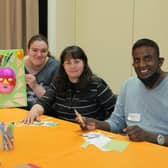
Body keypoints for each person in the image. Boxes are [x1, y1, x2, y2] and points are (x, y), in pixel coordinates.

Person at [76, 38, 168, 146]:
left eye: (147, 59)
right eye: (137, 60)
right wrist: (96, 124)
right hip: (129, 149)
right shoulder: (128, 85)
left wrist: (149, 136)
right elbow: (117, 122)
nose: (142, 65)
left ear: (160, 62)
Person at [22, 45, 117, 123]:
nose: (73, 66)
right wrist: (34, 111)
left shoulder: (96, 85)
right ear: (63, 66)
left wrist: (101, 125)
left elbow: (115, 111)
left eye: (76, 62)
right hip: (64, 132)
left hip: (92, 134)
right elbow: (44, 102)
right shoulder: (57, 83)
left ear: (84, 63)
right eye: (68, 63)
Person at [24, 34, 59, 110]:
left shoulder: (55, 67)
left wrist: (35, 86)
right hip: (19, 112)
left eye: (43, 51)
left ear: (47, 52)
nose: (39, 55)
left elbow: (54, 103)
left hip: (46, 115)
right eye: (34, 50)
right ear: (28, 50)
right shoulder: (17, 65)